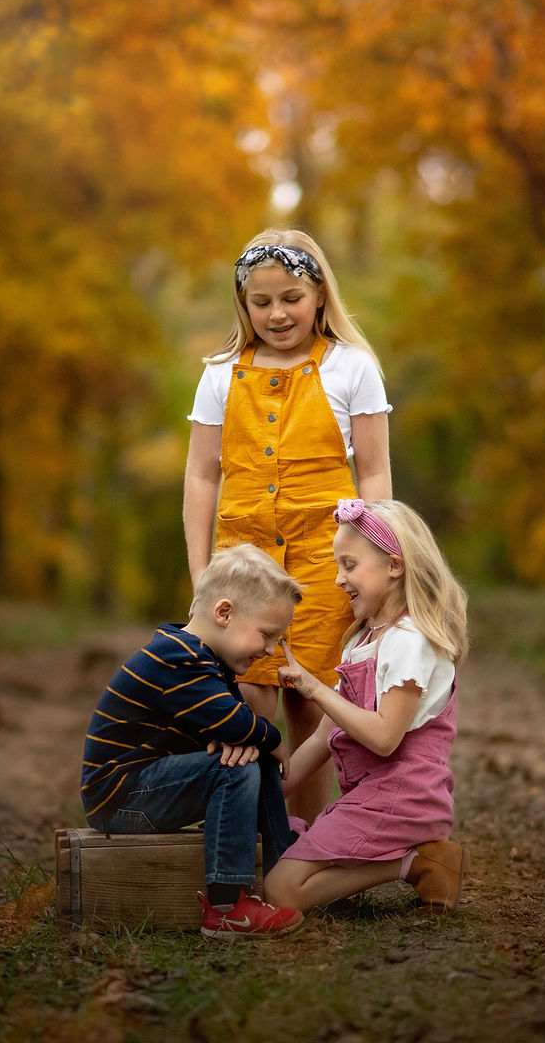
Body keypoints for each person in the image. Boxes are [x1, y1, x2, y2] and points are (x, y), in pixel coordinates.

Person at [183, 228, 392, 823]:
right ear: (244, 305)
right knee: (247, 693)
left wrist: (377, 563)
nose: (278, 314)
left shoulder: (352, 367)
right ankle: (249, 832)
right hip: (242, 561)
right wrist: (203, 573)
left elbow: (374, 474)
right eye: (262, 301)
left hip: (328, 556)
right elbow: (201, 476)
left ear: (320, 295)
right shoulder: (222, 373)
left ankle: (300, 838)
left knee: (315, 697)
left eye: (292, 298)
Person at [80, 543, 306, 939]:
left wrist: (249, 738)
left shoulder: (206, 660)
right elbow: (235, 723)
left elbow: (234, 728)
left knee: (250, 759)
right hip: (120, 796)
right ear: (224, 613)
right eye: (268, 635)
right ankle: (227, 906)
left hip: (150, 785)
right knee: (236, 770)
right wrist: (271, 738)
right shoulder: (177, 656)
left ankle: (282, 867)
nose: (271, 651)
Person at [263, 498, 471, 916]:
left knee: (281, 892)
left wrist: (316, 689)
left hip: (404, 797)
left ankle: (418, 861)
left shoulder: (410, 640)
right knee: (272, 864)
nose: (339, 579)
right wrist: (264, 792)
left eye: (350, 565)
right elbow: (324, 737)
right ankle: (416, 859)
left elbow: (383, 738)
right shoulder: (364, 641)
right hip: (373, 797)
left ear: (395, 566)